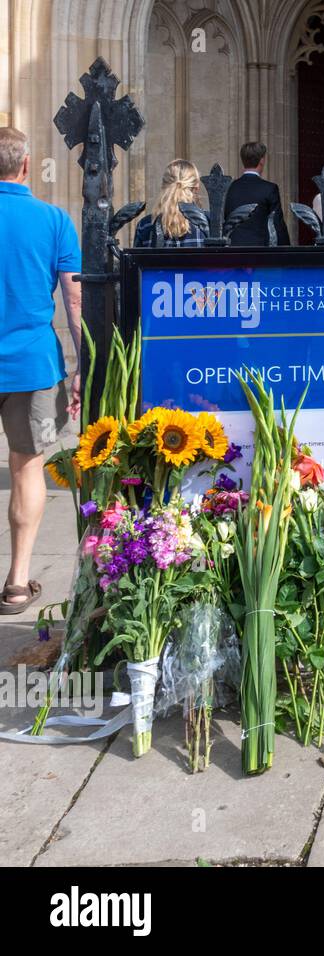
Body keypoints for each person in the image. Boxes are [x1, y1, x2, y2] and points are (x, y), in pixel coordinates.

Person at [0, 127, 81, 613]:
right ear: (26, 165)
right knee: (28, 468)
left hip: (31, 362)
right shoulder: (54, 220)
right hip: (32, 363)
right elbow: (74, 301)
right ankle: (16, 580)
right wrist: (82, 367)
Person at [224, 142, 291, 246]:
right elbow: (277, 223)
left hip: (233, 250)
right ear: (262, 160)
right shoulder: (269, 188)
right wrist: (286, 250)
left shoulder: (230, 187)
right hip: (259, 251)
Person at [133, 160, 208, 247]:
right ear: (196, 187)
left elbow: (135, 260)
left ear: (163, 186)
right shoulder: (208, 223)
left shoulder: (145, 225)